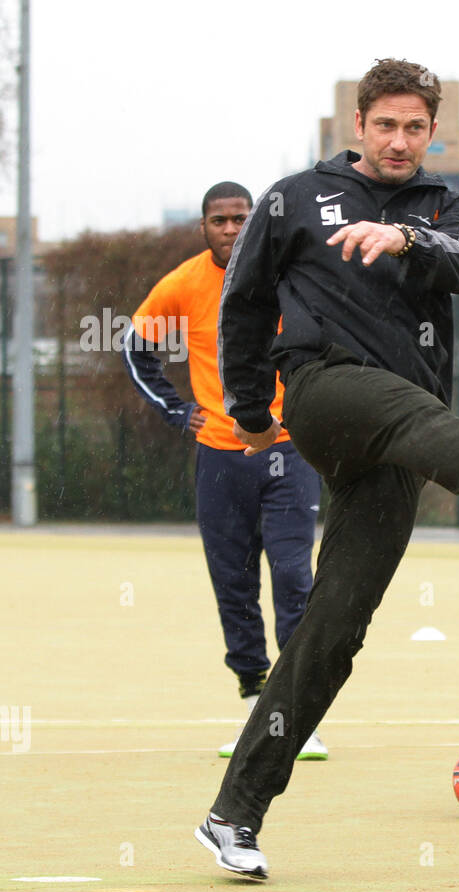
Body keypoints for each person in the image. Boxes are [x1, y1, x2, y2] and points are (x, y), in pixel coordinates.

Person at [194, 58, 459, 880]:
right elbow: (245, 304)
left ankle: (234, 812)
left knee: (334, 628)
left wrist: (405, 236)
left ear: (434, 133)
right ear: (358, 125)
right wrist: (252, 412)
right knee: (417, 420)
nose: (400, 141)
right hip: (324, 391)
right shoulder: (292, 197)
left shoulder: (448, 208)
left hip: (405, 436)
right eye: (386, 125)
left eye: (416, 128)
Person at [122, 182, 326, 761]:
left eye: (242, 219)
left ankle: (298, 715)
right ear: (204, 227)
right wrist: (175, 408)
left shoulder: (286, 272)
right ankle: (252, 707)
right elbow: (136, 347)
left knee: (294, 577)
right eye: (221, 220)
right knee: (234, 586)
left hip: (288, 449)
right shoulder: (184, 284)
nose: (233, 230)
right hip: (218, 455)